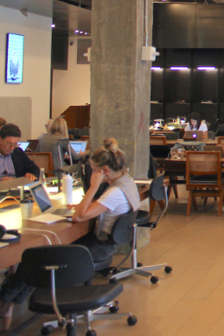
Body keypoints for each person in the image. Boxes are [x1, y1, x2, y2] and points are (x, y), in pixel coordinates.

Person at [0, 138, 140, 329]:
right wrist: (87, 205)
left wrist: (92, 188)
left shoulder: (114, 192)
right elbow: (98, 208)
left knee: (38, 260)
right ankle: (11, 303)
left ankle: (5, 300)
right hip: (104, 243)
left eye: (93, 170)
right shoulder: (126, 181)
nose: (91, 173)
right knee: (38, 258)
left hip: (98, 248)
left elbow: (78, 218)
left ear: (104, 172)